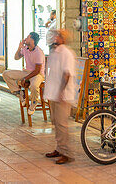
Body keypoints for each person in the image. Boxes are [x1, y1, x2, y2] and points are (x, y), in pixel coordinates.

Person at [44, 29, 78, 165]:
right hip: (54, 93)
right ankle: (59, 148)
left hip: (62, 94)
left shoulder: (66, 53)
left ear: (63, 38)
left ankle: (67, 153)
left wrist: (61, 91)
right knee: (56, 123)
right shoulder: (55, 52)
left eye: (57, 36)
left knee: (62, 124)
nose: (54, 38)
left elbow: (67, 74)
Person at [3, 32, 45, 111]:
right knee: (6, 74)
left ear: (32, 40)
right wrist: (19, 48)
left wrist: (25, 79)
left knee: (34, 86)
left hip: (37, 74)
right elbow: (16, 57)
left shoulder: (38, 52)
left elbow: (37, 70)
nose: (25, 39)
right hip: (27, 72)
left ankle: (34, 103)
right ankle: (19, 93)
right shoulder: (26, 49)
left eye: (28, 37)